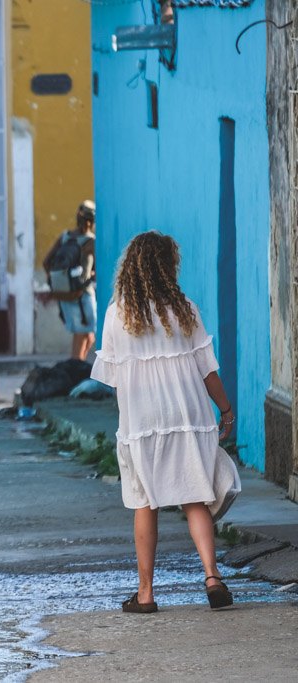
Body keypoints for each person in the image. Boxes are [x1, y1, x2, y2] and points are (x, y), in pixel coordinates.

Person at [91, 231, 239, 614]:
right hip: (188, 414)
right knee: (195, 498)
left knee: (145, 503)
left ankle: (146, 594)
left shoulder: (117, 314)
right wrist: (225, 409)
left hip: (143, 420)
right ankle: (212, 577)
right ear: (167, 266)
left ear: (132, 268)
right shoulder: (184, 308)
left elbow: (113, 378)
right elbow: (207, 370)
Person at [43, 200, 97, 360]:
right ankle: (74, 371)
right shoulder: (91, 241)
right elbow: (91, 272)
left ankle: (77, 369)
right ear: (92, 221)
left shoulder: (65, 237)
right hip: (83, 294)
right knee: (82, 335)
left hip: (65, 294)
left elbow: (46, 262)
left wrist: (59, 281)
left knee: (88, 336)